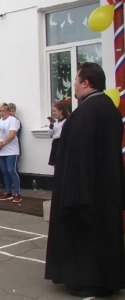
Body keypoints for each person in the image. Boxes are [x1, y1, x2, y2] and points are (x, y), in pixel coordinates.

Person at [45, 62, 125, 297]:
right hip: (106, 188)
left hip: (85, 191)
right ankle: (108, 279)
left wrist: (74, 195)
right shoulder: (109, 107)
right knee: (106, 234)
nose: (75, 87)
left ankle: (87, 281)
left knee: (87, 237)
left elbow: (78, 158)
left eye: (77, 81)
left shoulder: (86, 112)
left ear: (86, 83)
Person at [0, 103, 21, 202]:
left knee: (11, 170)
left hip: (11, 150)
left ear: (8, 111)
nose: (1, 113)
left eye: (3, 111)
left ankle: (17, 193)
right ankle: (8, 192)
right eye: (0, 111)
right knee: (4, 171)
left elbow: (12, 135)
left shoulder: (13, 120)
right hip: (0, 151)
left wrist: (1, 144)